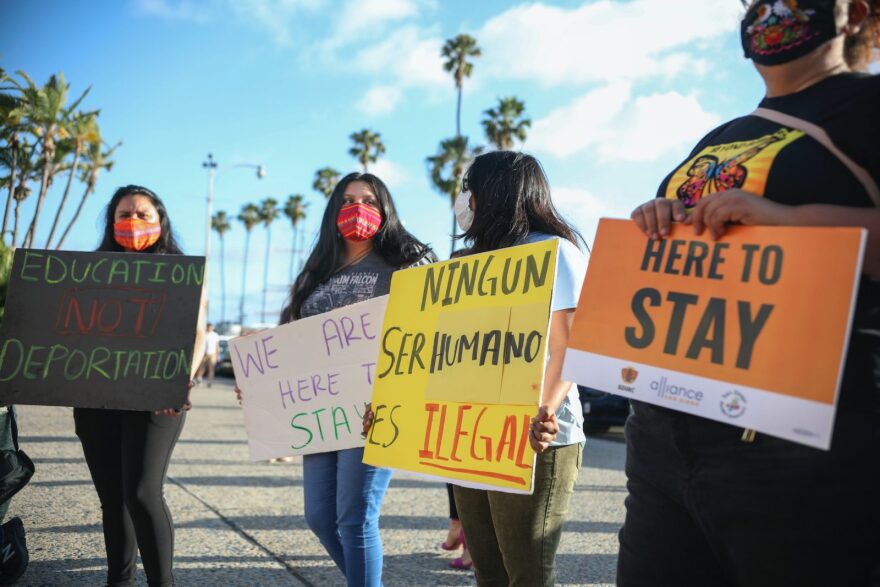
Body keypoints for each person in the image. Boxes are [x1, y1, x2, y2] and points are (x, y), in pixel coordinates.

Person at [622, 1, 879, 585]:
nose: (769, 11)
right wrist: (662, 216)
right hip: (667, 438)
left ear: (852, 12)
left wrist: (789, 220)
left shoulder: (867, 106)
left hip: (806, 442)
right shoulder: (723, 134)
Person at [239, 173, 433, 587]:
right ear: (333, 211)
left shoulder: (407, 261)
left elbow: (427, 332)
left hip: (377, 410)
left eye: (368, 201)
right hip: (322, 410)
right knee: (320, 517)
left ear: (385, 210)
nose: (357, 209)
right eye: (347, 201)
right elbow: (294, 339)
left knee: (356, 517)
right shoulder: (317, 268)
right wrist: (259, 376)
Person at [421, 151, 587, 586]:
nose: (464, 200)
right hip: (472, 436)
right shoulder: (466, 263)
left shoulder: (555, 253)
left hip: (535, 439)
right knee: (489, 572)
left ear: (491, 193)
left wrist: (545, 411)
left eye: (468, 189)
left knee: (526, 574)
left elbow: (569, 347)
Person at [74, 185, 204, 587]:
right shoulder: (91, 271)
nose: (133, 221)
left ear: (160, 221)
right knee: (112, 499)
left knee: (143, 493)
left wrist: (180, 382)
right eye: (124, 214)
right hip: (97, 397)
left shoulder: (180, 271)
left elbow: (197, 333)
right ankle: (120, 580)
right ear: (112, 223)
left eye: (143, 214)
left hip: (156, 398)